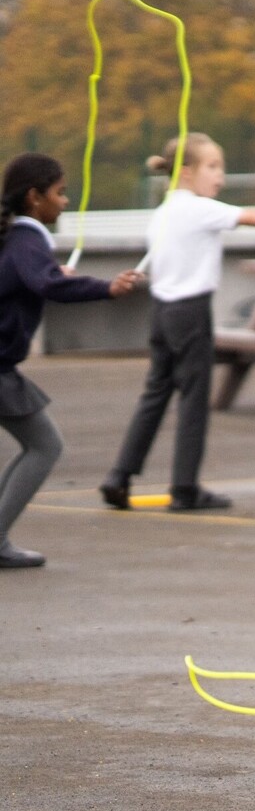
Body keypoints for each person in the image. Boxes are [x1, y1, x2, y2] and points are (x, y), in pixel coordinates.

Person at [99, 134, 255, 512]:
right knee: (194, 399)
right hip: (190, 313)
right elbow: (254, 216)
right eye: (212, 167)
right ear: (185, 173)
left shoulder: (164, 212)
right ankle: (185, 488)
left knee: (156, 393)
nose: (221, 177)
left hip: (161, 313)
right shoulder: (198, 209)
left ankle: (119, 476)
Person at [0, 154, 142, 565]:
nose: (64, 202)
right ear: (34, 197)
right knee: (44, 446)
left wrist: (50, 274)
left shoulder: (15, 239)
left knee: (38, 444)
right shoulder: (27, 241)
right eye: (59, 193)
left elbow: (32, 278)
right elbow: (48, 286)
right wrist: (106, 288)